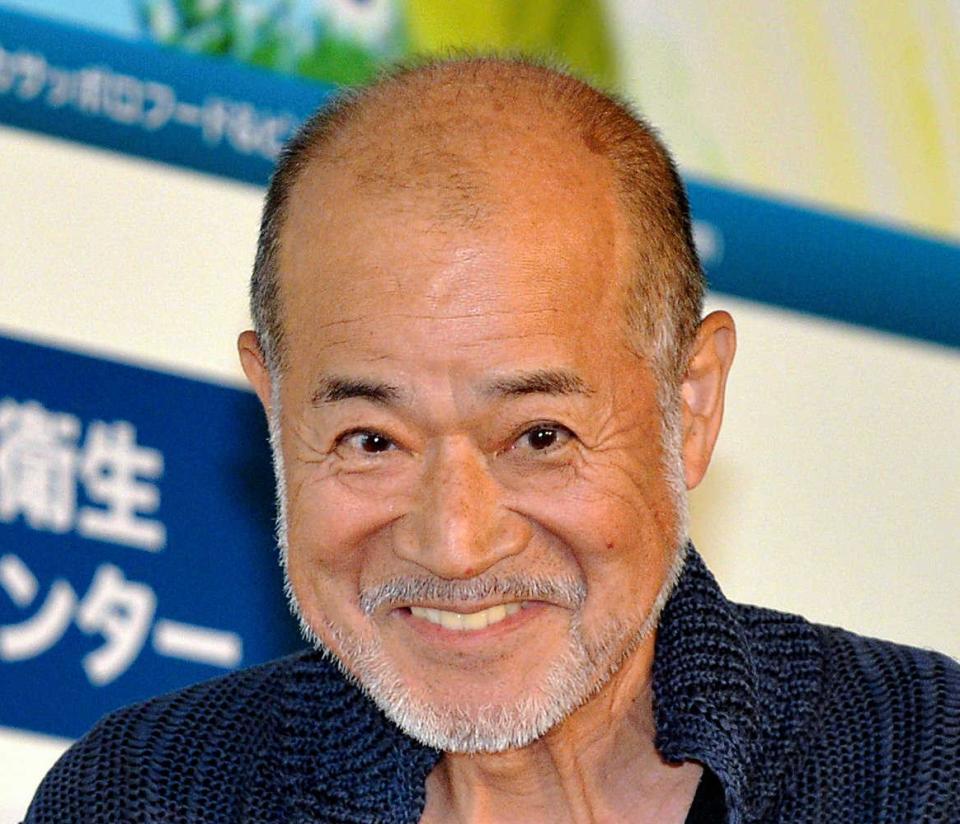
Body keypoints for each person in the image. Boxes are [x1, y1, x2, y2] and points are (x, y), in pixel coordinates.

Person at [26, 56, 959, 824]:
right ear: (275, 412)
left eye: (539, 436)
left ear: (692, 405)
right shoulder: (141, 797)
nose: (454, 544)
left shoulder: (923, 766)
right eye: (370, 440)